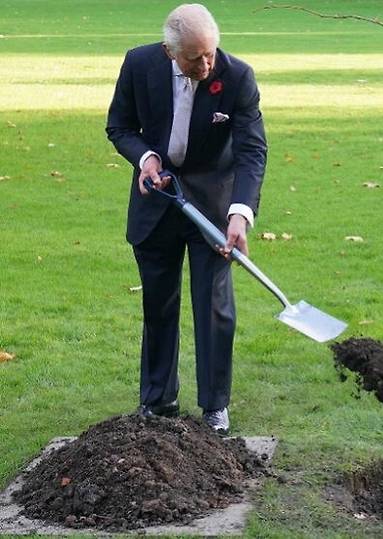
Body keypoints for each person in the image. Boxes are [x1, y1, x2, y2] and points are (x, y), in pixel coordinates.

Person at [106, 3, 267, 435]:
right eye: (195, 57)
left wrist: (240, 213)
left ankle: (215, 406)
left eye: (210, 53)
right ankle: (158, 401)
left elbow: (252, 151)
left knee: (214, 307)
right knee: (158, 305)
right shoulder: (139, 64)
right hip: (156, 201)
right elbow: (119, 126)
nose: (206, 64)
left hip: (213, 210)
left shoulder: (237, 77)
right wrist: (146, 157)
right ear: (169, 52)